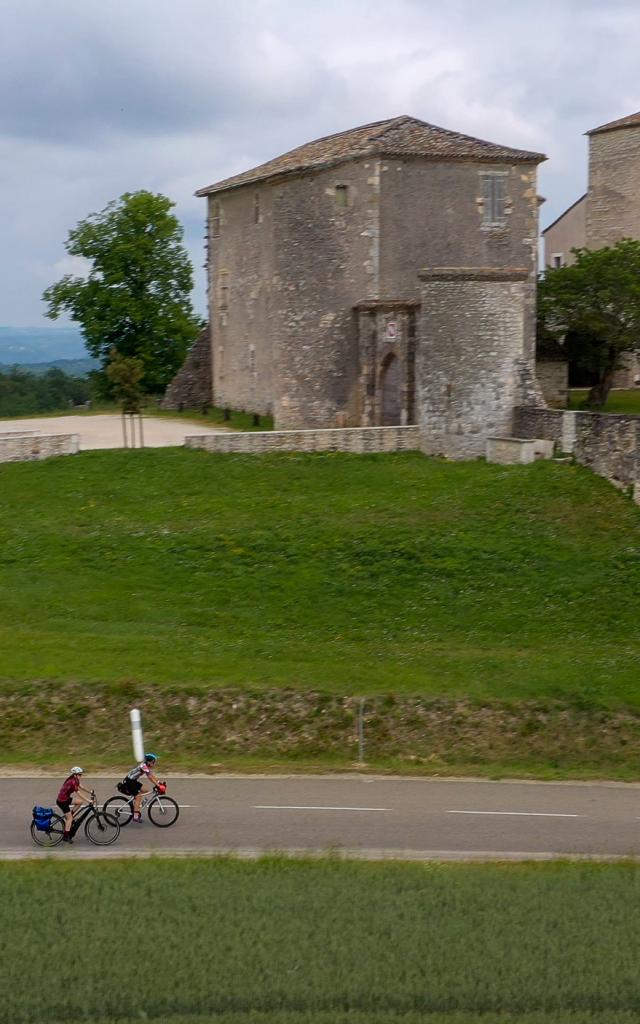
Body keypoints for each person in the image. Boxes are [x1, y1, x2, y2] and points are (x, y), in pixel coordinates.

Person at [56, 767, 92, 843]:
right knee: (69, 819)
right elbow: (78, 793)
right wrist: (88, 800)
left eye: (81, 774)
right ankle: (66, 836)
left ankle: (70, 815)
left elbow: (82, 787)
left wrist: (90, 792)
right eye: (79, 775)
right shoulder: (72, 782)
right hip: (62, 801)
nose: (80, 776)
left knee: (80, 802)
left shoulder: (75, 779)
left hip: (65, 799)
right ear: (75, 775)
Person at [122, 753, 161, 822]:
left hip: (133, 781)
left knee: (147, 790)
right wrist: (158, 785)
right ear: (149, 761)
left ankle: (137, 804)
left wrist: (158, 782)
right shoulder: (143, 766)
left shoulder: (146, 766)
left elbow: (151, 775)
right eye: (153, 762)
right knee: (139, 796)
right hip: (129, 781)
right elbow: (150, 777)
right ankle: (135, 816)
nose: (154, 763)